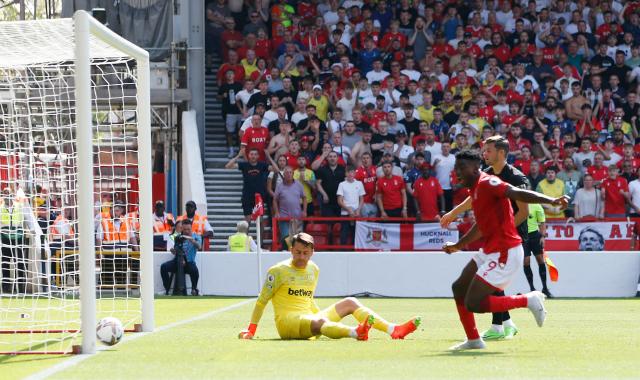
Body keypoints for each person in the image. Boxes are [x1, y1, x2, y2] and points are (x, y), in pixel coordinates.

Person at [442, 149, 569, 351]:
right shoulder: (474, 189)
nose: (457, 172)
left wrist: (550, 200)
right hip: (491, 250)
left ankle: (528, 299)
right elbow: (482, 226)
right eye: (456, 168)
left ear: (475, 169)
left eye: (462, 168)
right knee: (458, 287)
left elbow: (515, 192)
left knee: (473, 302)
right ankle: (474, 340)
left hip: (506, 251)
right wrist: (458, 245)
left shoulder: (487, 182)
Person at [238, 232, 421, 340]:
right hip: (287, 323)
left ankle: (393, 330)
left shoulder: (314, 269)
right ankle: (356, 333)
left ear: (312, 252)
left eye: (305, 253)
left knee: (350, 302)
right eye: (298, 252)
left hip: (308, 318)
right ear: (291, 250)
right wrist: (251, 330)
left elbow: (308, 298)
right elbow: (262, 301)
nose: (301, 257)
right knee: (320, 322)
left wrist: (318, 315)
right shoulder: (277, 271)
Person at [441, 136, 530, 341]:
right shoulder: (486, 174)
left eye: (488, 150)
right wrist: (454, 212)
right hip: (494, 234)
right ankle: (502, 324)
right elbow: (472, 198)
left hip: (512, 235)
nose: (484, 154)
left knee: (491, 281)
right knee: (490, 281)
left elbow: (524, 212)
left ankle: (503, 323)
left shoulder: (516, 177)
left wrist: (501, 229)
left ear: (500, 152)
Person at [160, 220, 202, 296]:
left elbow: (199, 247)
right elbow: (176, 249)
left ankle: (194, 289)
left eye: (188, 229)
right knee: (164, 267)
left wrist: (191, 240)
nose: (186, 231)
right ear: (182, 228)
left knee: (195, 270)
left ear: (191, 228)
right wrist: (173, 250)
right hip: (177, 261)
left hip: (189, 263)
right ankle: (167, 289)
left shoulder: (196, 236)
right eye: (185, 229)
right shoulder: (178, 237)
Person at [273, 166, 307, 249]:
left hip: (297, 217)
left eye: (290, 172)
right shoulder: (279, 186)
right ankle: (285, 254)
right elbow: (274, 200)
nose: (288, 174)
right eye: (286, 173)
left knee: (297, 239)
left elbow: (304, 198)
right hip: (284, 217)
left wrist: (304, 211)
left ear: (293, 174)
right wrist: (277, 212)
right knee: (286, 238)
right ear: (283, 174)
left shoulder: (299, 184)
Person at [524, 203, 552, 298]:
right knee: (526, 261)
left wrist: (543, 237)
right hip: (523, 237)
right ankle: (532, 288)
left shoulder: (536, 205)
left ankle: (545, 288)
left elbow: (542, 223)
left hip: (534, 235)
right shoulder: (517, 204)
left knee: (540, 260)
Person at [337, 165, 365, 245]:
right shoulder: (342, 184)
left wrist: (358, 210)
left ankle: (355, 253)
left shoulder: (359, 184)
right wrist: (348, 209)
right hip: (345, 213)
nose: (350, 174)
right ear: (345, 173)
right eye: (348, 172)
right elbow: (339, 200)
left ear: (354, 173)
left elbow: (361, 199)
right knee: (344, 235)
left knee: (356, 235)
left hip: (356, 213)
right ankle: (342, 253)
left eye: (352, 172)